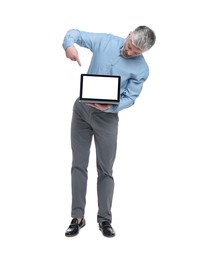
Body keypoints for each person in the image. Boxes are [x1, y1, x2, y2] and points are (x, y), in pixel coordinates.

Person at [62, 26, 156, 237]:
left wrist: (112, 107)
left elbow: (131, 97)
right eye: (130, 47)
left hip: (107, 118)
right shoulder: (105, 41)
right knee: (78, 164)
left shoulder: (142, 70)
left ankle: (105, 219)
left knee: (105, 169)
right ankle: (77, 217)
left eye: (136, 53)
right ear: (130, 34)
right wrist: (69, 45)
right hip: (82, 111)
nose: (130, 52)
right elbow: (75, 33)